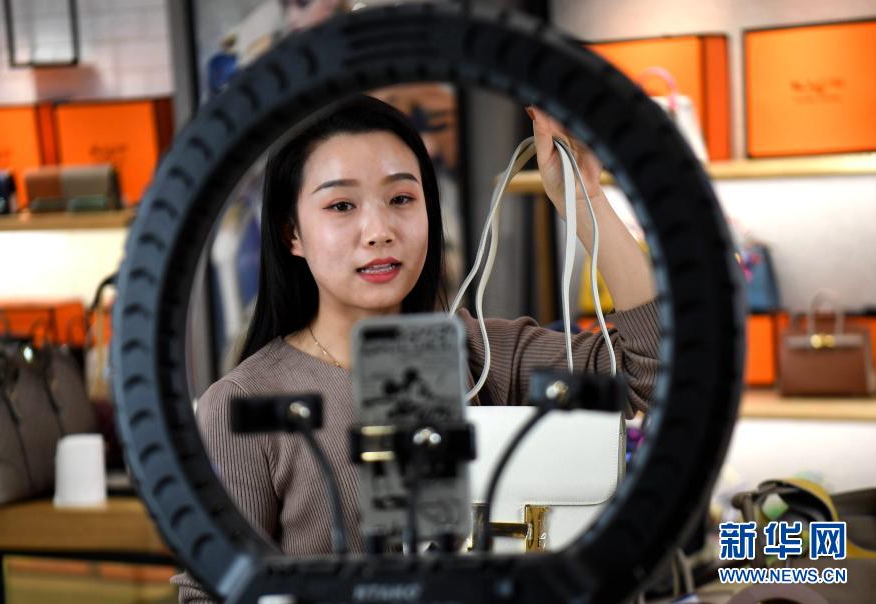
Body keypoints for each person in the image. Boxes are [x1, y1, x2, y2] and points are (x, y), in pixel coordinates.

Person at [172, 95, 659, 602]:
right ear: (291, 232)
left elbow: (658, 370)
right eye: (341, 206)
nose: (379, 232)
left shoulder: (484, 355)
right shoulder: (243, 404)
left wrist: (586, 202)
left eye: (401, 199)